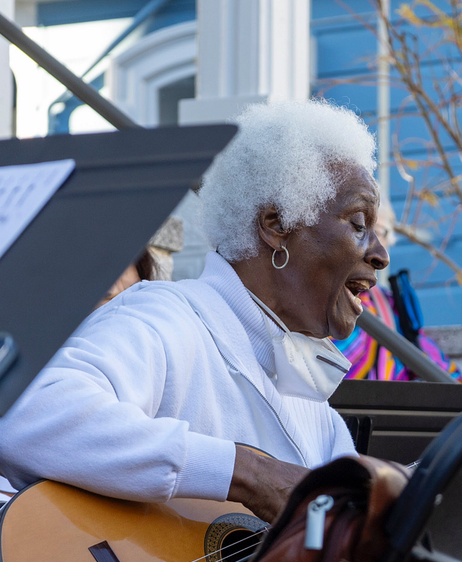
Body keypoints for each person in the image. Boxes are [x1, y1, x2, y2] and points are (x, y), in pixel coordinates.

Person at [0, 99, 388, 525]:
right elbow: (27, 415)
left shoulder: (317, 414)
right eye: (357, 222)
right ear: (276, 226)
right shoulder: (164, 319)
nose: (381, 254)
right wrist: (246, 472)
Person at [333, 199, 462, 382]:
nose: (372, 244)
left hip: (384, 407)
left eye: (379, 232)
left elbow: (430, 361)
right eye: (360, 228)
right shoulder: (314, 297)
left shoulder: (389, 302)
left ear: (388, 241)